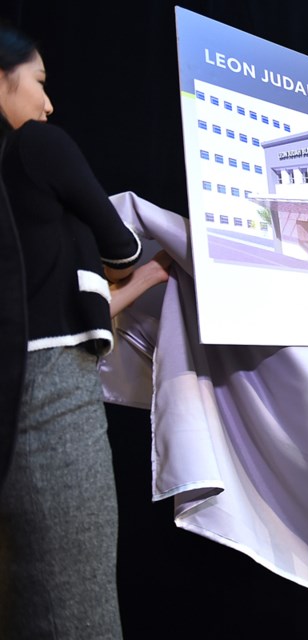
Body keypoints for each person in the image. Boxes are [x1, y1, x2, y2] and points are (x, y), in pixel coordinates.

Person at [0, 23, 142, 639]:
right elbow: (124, 243)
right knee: (75, 603)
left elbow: (46, 309)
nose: (48, 102)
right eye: (38, 82)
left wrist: (146, 282)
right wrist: (140, 266)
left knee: (30, 597)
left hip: (20, 388)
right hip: (52, 397)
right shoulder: (37, 145)